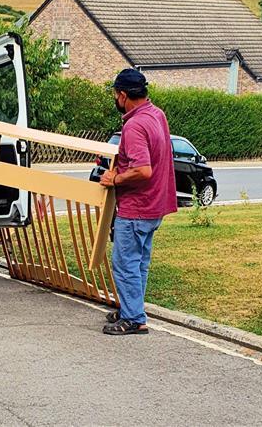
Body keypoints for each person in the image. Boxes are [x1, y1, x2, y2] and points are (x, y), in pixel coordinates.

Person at [99, 69, 177, 335]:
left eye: (115, 94)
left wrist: (115, 178)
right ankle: (131, 309)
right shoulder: (157, 115)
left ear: (123, 95)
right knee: (139, 263)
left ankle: (134, 319)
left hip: (136, 207)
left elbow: (143, 170)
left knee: (125, 264)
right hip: (154, 205)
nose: (115, 99)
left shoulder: (133, 126)